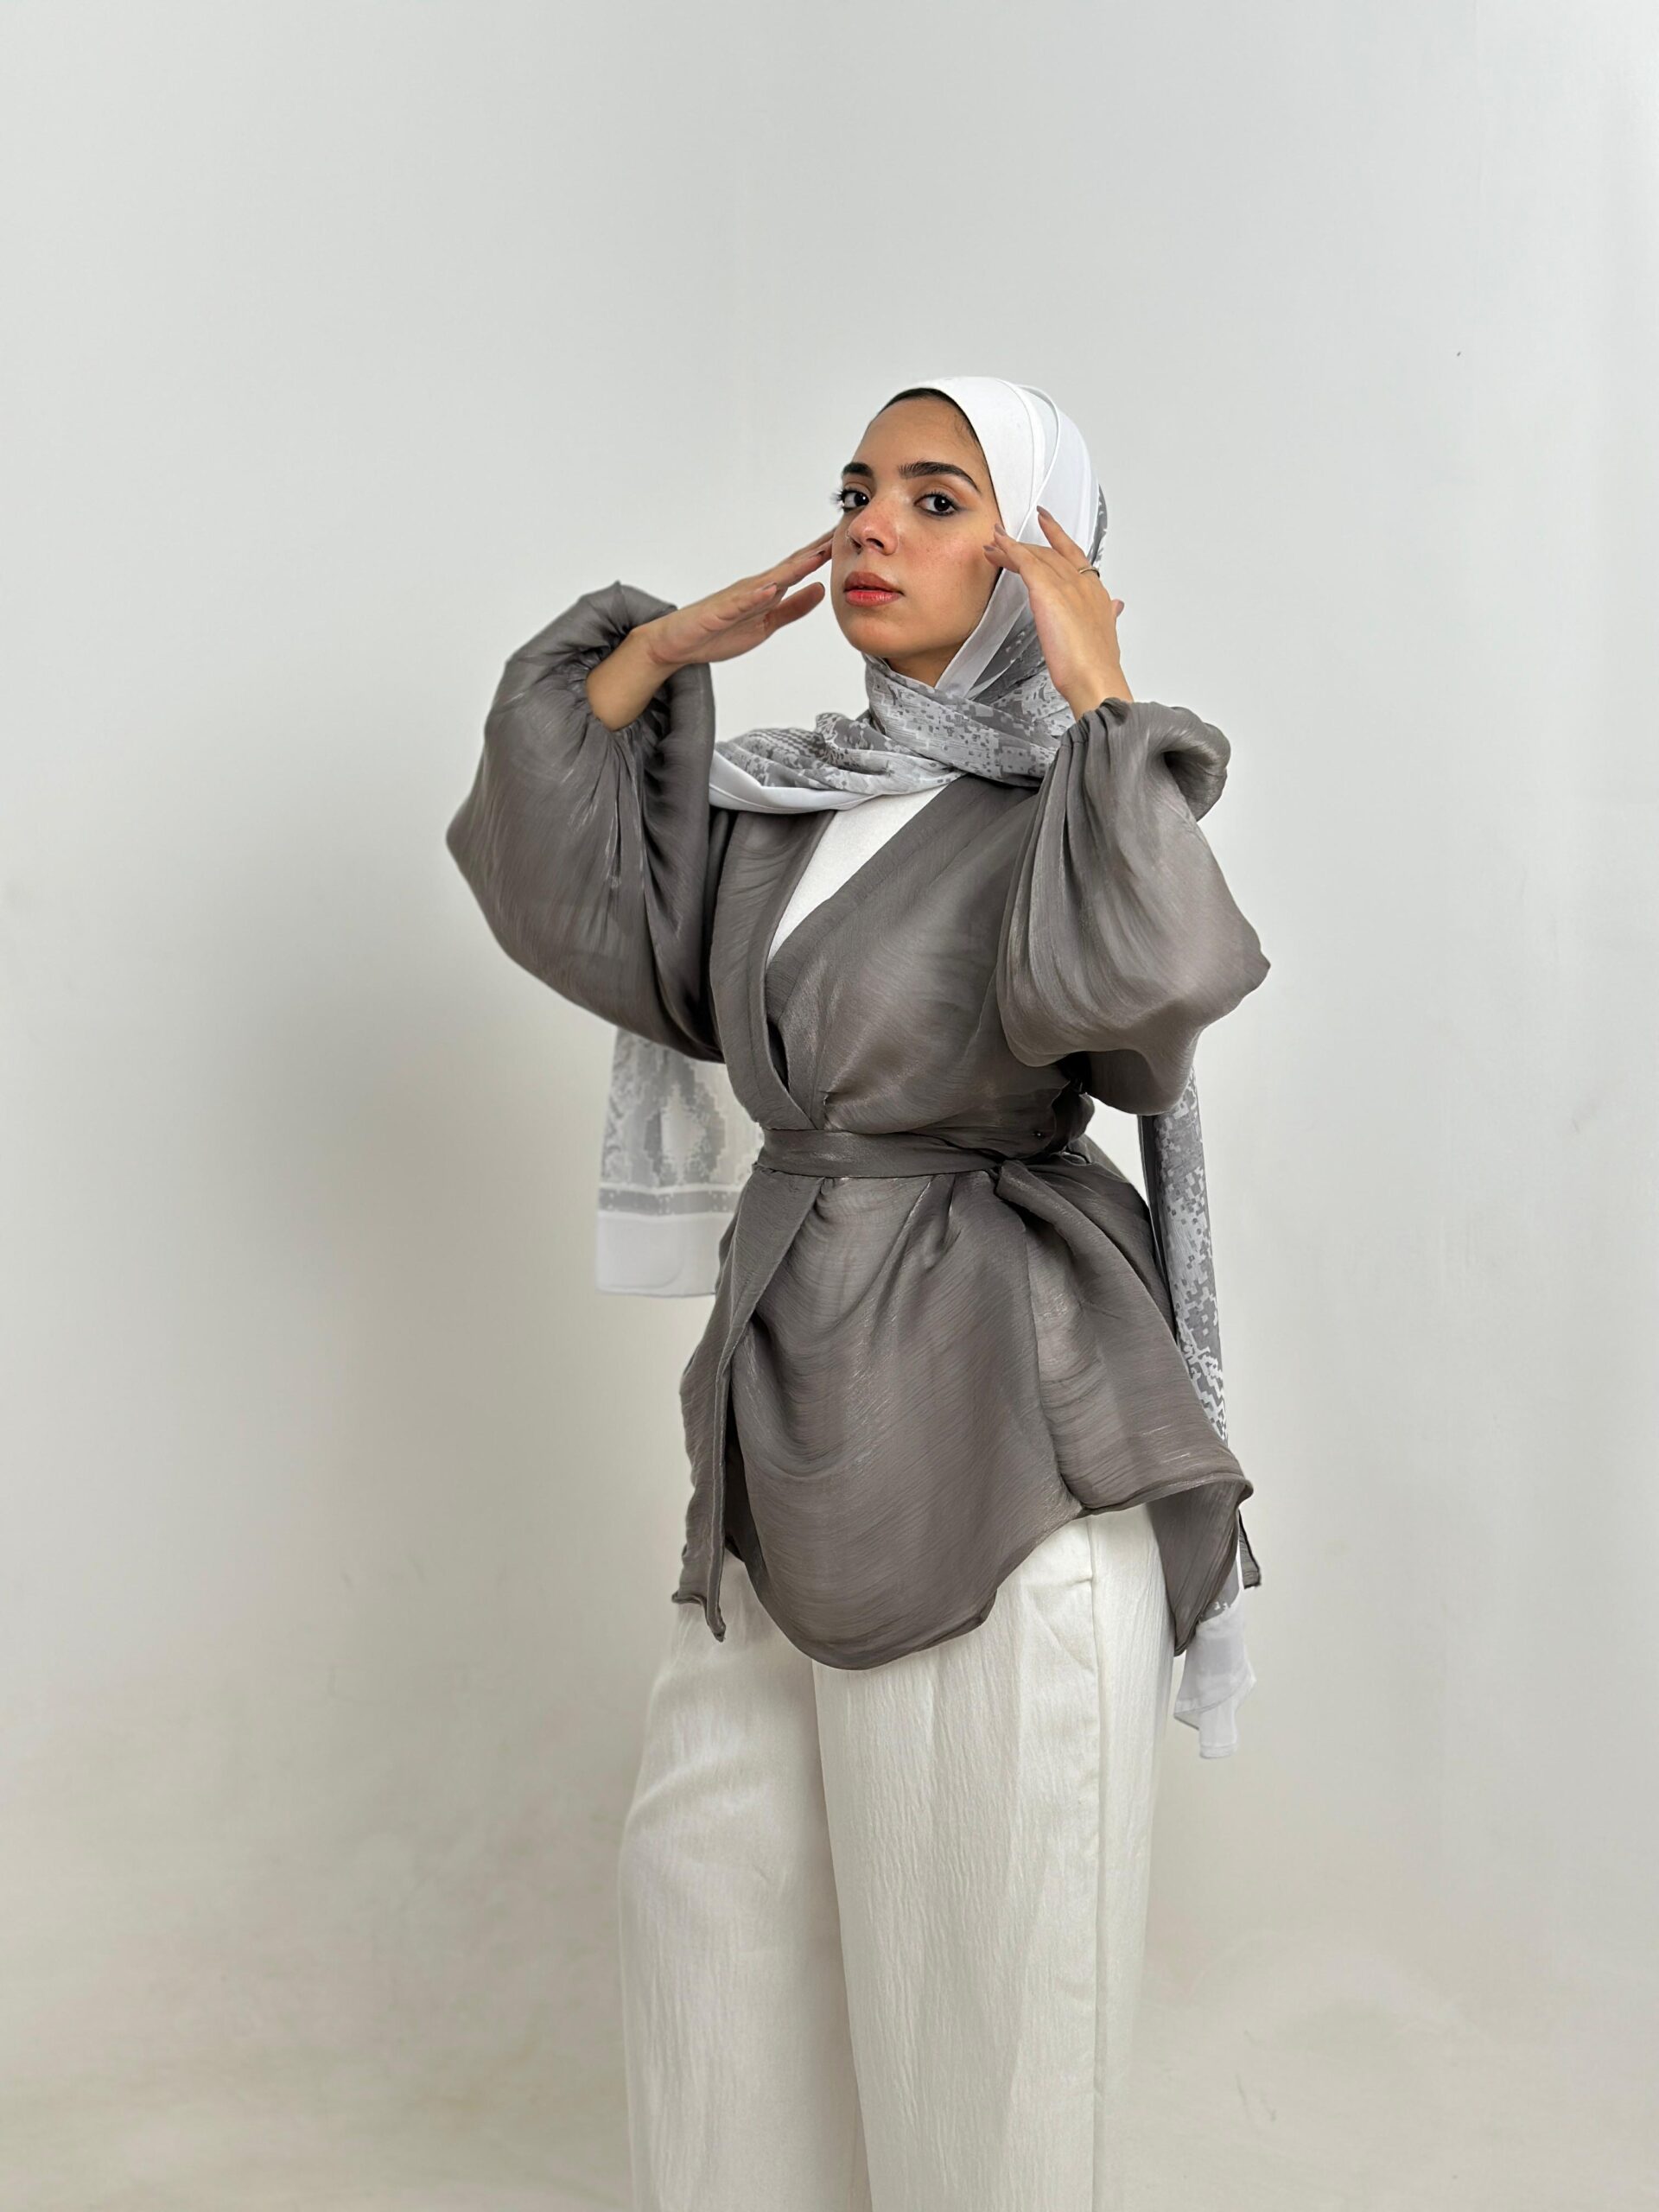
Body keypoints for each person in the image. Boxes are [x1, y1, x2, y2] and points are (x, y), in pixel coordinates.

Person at [446, 378, 1271, 2212]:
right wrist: (656, 655)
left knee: (989, 2028)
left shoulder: (1070, 804)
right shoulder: (786, 804)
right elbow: (584, 913)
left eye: (939, 496)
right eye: (857, 489)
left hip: (1002, 1433)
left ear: (1041, 554)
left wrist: (1099, 698)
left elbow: (1147, 1007)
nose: (873, 525)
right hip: (783, 1416)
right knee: (713, 1952)